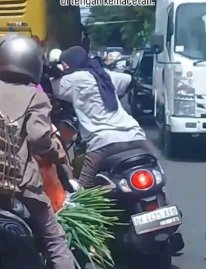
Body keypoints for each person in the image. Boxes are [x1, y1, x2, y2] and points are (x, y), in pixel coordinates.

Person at [0, 35, 82, 269]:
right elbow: (38, 137)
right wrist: (55, 153)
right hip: (19, 185)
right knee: (56, 243)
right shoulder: (35, 97)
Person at [49, 46, 152, 188]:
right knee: (155, 178)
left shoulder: (73, 79)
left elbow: (46, 86)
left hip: (103, 143)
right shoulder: (105, 75)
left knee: (83, 193)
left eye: (65, 65)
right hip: (136, 137)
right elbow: (129, 80)